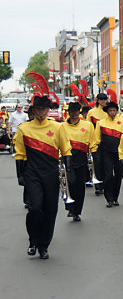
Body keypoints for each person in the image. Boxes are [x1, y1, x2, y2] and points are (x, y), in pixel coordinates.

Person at [14, 95, 72, 259]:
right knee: (35, 208)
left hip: (51, 173)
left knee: (50, 210)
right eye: (38, 109)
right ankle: (33, 241)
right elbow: (20, 153)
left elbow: (66, 149)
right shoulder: (23, 129)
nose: (41, 112)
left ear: (48, 110)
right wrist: (20, 174)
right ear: (33, 110)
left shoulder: (57, 127)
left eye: (44, 109)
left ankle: (44, 245)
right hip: (32, 173)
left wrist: (68, 171)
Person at [60, 102, 96, 222]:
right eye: (71, 112)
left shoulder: (88, 125)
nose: (74, 114)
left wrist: (95, 155)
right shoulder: (62, 126)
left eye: (76, 111)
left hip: (81, 158)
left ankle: (77, 212)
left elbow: (92, 142)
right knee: (70, 183)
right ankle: (70, 208)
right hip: (67, 158)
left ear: (79, 112)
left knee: (80, 186)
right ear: (68, 113)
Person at [93, 101, 123, 207]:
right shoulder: (101, 123)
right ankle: (108, 198)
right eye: (110, 110)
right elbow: (97, 139)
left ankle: (115, 198)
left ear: (116, 111)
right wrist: (96, 152)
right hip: (106, 153)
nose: (112, 112)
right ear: (107, 112)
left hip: (119, 153)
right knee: (108, 175)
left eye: (114, 110)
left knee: (118, 175)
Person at [86, 93, 108, 195]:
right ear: (97, 100)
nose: (103, 101)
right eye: (101, 99)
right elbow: (88, 128)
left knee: (106, 164)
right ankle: (98, 186)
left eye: (105, 99)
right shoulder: (91, 112)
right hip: (95, 141)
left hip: (107, 141)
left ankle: (104, 184)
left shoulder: (109, 112)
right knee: (97, 163)